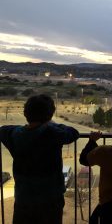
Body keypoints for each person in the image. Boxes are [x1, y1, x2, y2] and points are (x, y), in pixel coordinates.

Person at [0, 94, 79, 224]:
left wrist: (28, 126)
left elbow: (3, 130)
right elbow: (73, 133)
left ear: (25, 113)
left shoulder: (13, 134)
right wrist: (50, 124)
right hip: (50, 199)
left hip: (23, 197)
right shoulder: (53, 133)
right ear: (50, 115)